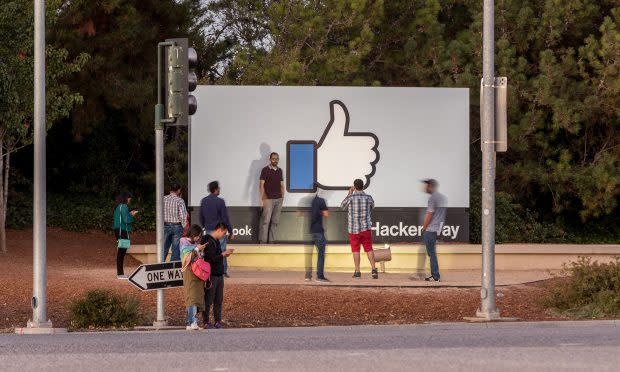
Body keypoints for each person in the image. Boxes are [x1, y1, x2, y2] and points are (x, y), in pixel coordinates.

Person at [341, 179, 378, 279]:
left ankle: (357, 272)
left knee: (356, 250)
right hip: (366, 228)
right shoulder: (368, 197)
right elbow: (373, 206)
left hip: (353, 229)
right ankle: (374, 270)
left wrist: (349, 193)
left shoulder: (351, 198)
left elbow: (342, 206)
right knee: (369, 248)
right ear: (363, 186)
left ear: (354, 187)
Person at [201, 222, 233, 329]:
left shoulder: (217, 241)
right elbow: (210, 259)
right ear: (219, 230)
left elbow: (217, 256)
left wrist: (223, 255)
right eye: (224, 233)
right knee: (209, 299)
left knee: (218, 300)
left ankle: (217, 321)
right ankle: (206, 321)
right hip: (212, 275)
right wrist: (223, 254)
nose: (224, 235)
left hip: (219, 274)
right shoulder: (209, 241)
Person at [199, 181, 233, 277]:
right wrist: (230, 231)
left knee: (211, 251)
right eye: (219, 188)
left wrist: (204, 226)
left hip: (209, 230)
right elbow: (225, 218)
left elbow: (201, 216)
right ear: (216, 189)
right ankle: (223, 271)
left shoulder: (204, 200)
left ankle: (210, 269)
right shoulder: (220, 201)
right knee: (221, 250)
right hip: (219, 230)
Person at [180, 225, 206, 330]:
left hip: (197, 272)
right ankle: (192, 322)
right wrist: (196, 249)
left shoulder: (196, 244)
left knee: (197, 297)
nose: (197, 238)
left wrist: (200, 250)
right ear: (192, 234)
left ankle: (191, 322)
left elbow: (198, 255)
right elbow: (186, 257)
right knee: (191, 297)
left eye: (199, 237)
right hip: (189, 271)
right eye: (197, 236)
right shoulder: (183, 241)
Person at [421, 179, 447, 282]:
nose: (425, 188)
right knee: (432, 252)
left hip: (431, 229)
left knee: (431, 253)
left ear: (431, 186)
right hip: (438, 229)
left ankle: (435, 276)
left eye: (426, 186)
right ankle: (435, 275)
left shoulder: (432, 198)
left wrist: (424, 227)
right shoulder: (442, 198)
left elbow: (429, 214)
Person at [259, 152, 284, 243]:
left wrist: (282, 197)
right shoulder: (265, 170)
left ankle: (271, 242)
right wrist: (263, 197)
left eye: (277, 159)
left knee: (275, 222)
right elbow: (261, 184)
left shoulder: (280, 171)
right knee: (266, 222)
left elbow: (281, 185)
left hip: (279, 199)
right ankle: (263, 242)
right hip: (268, 199)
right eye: (273, 159)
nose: (275, 160)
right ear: (270, 159)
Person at [112, 191, 138, 279]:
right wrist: (132, 215)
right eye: (129, 198)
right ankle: (120, 274)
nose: (130, 200)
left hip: (118, 230)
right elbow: (126, 220)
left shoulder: (119, 206)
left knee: (121, 251)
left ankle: (120, 273)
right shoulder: (124, 206)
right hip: (122, 230)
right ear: (126, 198)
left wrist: (129, 214)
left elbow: (123, 217)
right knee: (121, 252)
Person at [307, 193, 330, 282]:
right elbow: (326, 214)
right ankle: (320, 276)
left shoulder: (310, 200)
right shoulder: (321, 201)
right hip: (319, 231)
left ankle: (308, 276)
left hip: (311, 230)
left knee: (309, 254)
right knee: (321, 254)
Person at [163, 182, 188, 262]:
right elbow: (183, 216)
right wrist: (184, 226)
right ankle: (173, 268)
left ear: (170, 189)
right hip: (177, 226)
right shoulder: (180, 200)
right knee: (176, 248)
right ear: (178, 190)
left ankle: (160, 264)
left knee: (164, 247)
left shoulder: (163, 198)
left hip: (165, 225)